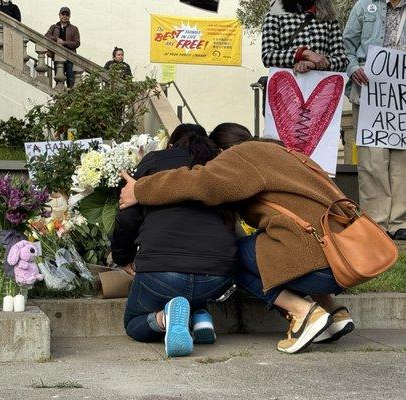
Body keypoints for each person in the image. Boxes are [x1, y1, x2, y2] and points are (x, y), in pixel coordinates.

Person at [119, 130, 356, 354]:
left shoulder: (243, 159)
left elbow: (198, 182)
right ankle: (334, 313)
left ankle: (303, 312)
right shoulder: (286, 155)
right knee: (271, 246)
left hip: (316, 262)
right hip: (345, 259)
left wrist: (139, 189)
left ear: (222, 152)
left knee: (236, 256)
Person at [112, 124, 237, 357]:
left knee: (133, 323)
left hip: (162, 273)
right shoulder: (221, 167)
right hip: (218, 277)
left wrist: (123, 257)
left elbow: (128, 216)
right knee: (193, 278)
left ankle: (166, 317)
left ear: (170, 145)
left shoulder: (155, 160)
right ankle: (200, 317)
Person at [343, 0, 406, 240]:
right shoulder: (363, 6)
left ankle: (400, 222)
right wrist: (352, 68)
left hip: (402, 96)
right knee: (371, 159)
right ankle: (375, 221)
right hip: (369, 95)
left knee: (403, 159)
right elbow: (345, 45)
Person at [262, 0, 348, 73]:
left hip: (323, 87)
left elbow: (343, 60)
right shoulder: (275, 14)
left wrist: (315, 64)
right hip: (285, 86)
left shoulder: (328, 17)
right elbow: (267, 56)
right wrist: (303, 54)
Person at [45, 7, 81, 88]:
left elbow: (77, 43)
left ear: (69, 16)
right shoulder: (54, 27)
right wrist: (56, 39)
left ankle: (70, 99)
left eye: (67, 14)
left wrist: (64, 42)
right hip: (57, 56)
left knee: (71, 81)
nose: (65, 16)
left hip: (70, 58)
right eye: (63, 14)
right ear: (59, 15)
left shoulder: (74, 29)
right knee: (59, 81)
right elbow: (47, 36)